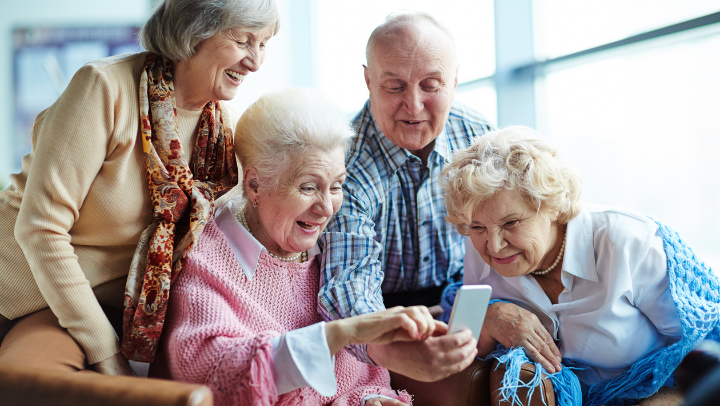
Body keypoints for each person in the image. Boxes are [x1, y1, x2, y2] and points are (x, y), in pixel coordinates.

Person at [0, 0, 279, 375]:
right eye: (245, 41)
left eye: (264, 44)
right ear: (194, 30)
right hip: (18, 296)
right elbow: (40, 229)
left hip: (102, 310)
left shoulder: (220, 130)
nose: (256, 62)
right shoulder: (105, 88)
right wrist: (107, 353)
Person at [162, 88, 436, 406]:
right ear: (254, 185)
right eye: (308, 187)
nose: (327, 208)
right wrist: (339, 334)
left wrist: (371, 399)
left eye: (336, 186)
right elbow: (212, 373)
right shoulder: (207, 256)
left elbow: (360, 377)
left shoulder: (332, 249)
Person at [440, 126, 720, 405]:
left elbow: (703, 348)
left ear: (554, 207)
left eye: (511, 223)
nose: (494, 245)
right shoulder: (480, 249)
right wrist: (490, 317)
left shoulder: (630, 243)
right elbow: (455, 346)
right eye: (476, 226)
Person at [318, 11, 493, 382]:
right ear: (368, 80)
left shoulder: (481, 137)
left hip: (468, 297)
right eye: (394, 86)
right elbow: (347, 284)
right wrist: (388, 344)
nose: (413, 106)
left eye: (431, 85)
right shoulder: (341, 163)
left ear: (455, 80)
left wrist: (500, 306)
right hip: (384, 313)